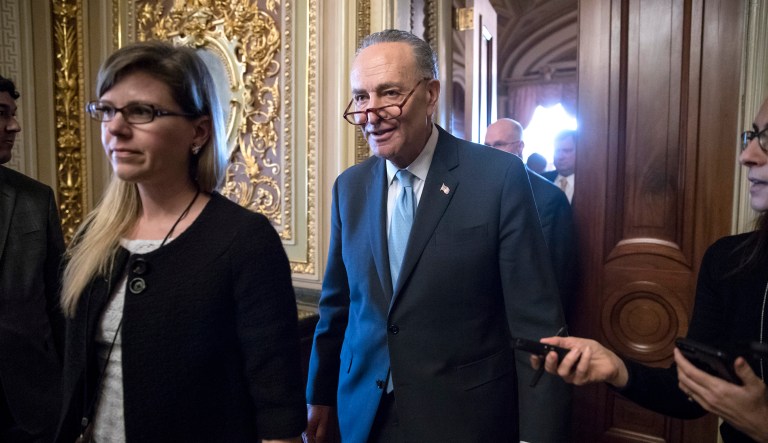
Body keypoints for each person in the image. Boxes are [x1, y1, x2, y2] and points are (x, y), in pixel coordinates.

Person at [305, 30, 566, 443]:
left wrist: (537, 436)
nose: (371, 114)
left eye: (388, 93)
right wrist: (318, 398)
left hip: (463, 420)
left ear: (430, 94)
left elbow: (536, 326)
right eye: (360, 97)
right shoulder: (349, 188)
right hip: (363, 417)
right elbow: (338, 306)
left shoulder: (498, 179)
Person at [54, 41, 306, 443]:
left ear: (199, 131)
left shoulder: (244, 241)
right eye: (107, 110)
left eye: (141, 111)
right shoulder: (92, 237)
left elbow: (279, 413)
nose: (116, 127)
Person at [536, 99, 768, 443]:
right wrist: (616, 367)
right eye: (751, 136)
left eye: (767, 139)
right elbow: (688, 394)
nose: (746, 155)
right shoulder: (728, 260)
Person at [0, 75, 65, 442]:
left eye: (14, 113)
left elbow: (58, 303)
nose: (15, 125)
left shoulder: (35, 199)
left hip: (31, 406)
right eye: (2, 113)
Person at [485, 118, 578, 319]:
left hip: (529, 310)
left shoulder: (550, 196)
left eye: (499, 145)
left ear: (519, 147)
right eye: (487, 146)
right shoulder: (477, 190)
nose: (490, 152)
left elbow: (557, 268)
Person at [543, 130, 577, 203]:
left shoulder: (590, 184)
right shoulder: (542, 180)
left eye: (567, 151)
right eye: (557, 151)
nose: (560, 157)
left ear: (580, 151)